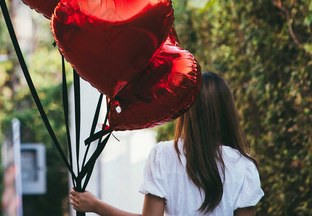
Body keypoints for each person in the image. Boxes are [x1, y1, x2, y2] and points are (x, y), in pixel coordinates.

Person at [69, 71, 263, 216]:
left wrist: (95, 205)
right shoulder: (245, 167)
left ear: (187, 111)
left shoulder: (163, 155)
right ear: (227, 112)